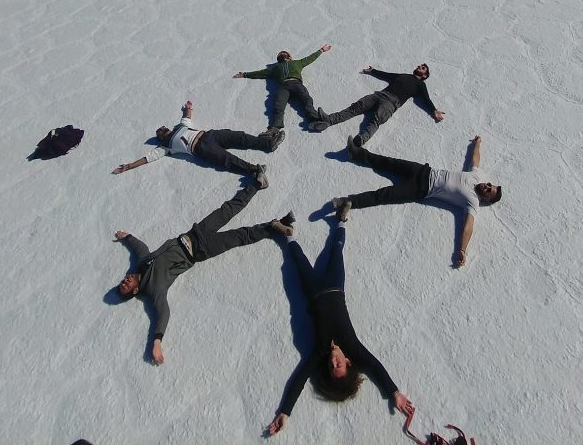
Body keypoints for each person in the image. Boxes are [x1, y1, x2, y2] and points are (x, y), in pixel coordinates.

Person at [115, 184, 295, 366]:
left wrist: (127, 237)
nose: (125, 280)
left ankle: (256, 184)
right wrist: (157, 342)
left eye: (122, 281)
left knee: (227, 209)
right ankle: (274, 226)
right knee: (241, 236)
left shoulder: (142, 262)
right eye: (126, 286)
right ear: (136, 290)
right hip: (201, 250)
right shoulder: (154, 290)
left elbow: (140, 248)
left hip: (195, 233)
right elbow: (163, 313)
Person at [265, 222, 415, 436]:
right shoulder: (353, 348)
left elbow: (299, 378)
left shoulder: (319, 352)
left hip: (313, 291)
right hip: (336, 284)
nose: (333, 361)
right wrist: (395, 392)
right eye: (339, 365)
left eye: (331, 366)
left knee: (298, 260)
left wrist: (285, 412)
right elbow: (375, 366)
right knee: (336, 249)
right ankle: (342, 220)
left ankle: (288, 235)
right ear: (348, 362)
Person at [334, 135, 501, 267]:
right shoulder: (477, 176)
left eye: (488, 191)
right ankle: (355, 153)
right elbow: (475, 160)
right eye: (489, 185)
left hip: (420, 190)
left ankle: (348, 202)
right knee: (387, 162)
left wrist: (463, 249)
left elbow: (468, 227)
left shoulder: (472, 202)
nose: (486, 186)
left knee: (384, 195)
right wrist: (477, 144)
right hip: (422, 170)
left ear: (486, 199)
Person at [112, 100, 283, 189]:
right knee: (227, 160)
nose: (163, 129)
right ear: (161, 137)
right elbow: (147, 158)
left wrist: (188, 107)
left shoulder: (180, 126)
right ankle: (254, 170)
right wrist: (128, 166)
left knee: (239, 137)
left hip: (210, 135)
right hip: (201, 148)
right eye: (160, 131)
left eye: (163, 127)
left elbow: (187, 116)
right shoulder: (166, 147)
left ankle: (266, 143)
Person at [309, 63, 444, 144]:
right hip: (379, 95)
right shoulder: (404, 75)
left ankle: (362, 139)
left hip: (391, 103)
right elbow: (387, 75)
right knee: (354, 108)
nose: (419, 67)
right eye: (420, 66)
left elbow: (426, 99)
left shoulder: (420, 85)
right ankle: (329, 119)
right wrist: (373, 71)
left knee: (376, 120)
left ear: (425, 75)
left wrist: (434, 110)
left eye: (422, 68)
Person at [233, 45, 332, 133]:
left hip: (296, 83)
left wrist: (321, 50)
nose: (283, 54)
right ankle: (275, 127)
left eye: (284, 53)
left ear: (289, 57)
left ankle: (314, 120)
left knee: (306, 100)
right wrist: (245, 74)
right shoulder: (275, 69)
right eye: (281, 54)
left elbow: (309, 58)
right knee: (279, 105)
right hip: (283, 87)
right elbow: (260, 73)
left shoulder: (297, 63)